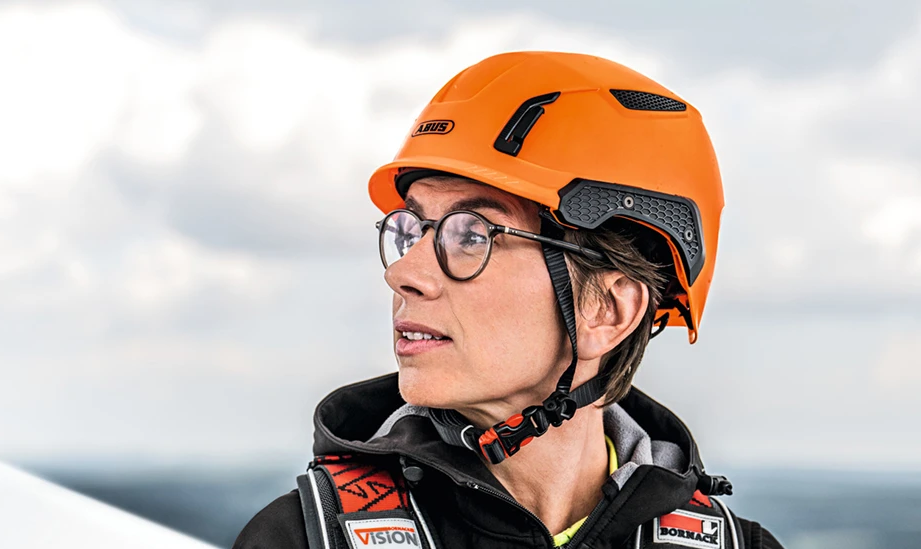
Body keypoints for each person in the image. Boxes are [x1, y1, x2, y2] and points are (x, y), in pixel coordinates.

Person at [233, 51, 784, 549]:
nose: (403, 272)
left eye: (472, 234)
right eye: (411, 229)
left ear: (607, 311)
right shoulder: (297, 539)